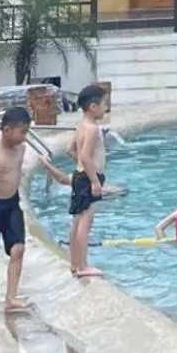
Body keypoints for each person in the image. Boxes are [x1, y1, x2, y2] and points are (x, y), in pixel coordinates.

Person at [0, 107, 72, 312]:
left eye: (27, 131)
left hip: (12, 204)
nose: (25, 137)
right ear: (7, 130)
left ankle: (10, 298)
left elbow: (17, 170)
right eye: (22, 132)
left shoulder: (22, 149)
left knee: (18, 249)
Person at [68, 84, 110, 280]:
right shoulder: (93, 129)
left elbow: (72, 150)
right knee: (86, 222)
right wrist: (94, 180)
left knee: (77, 221)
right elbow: (85, 156)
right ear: (93, 106)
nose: (106, 108)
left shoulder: (80, 126)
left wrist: (82, 168)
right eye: (104, 104)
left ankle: (75, 263)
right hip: (88, 177)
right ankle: (83, 265)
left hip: (79, 177)